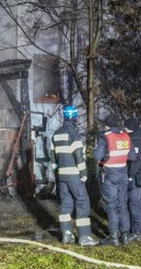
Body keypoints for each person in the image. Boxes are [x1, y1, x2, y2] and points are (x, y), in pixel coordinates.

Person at [49, 105, 99, 246]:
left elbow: (52, 156)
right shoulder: (73, 133)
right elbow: (78, 155)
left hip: (62, 176)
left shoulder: (56, 134)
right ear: (75, 117)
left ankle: (67, 234)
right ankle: (84, 237)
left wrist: (57, 172)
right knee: (82, 202)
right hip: (74, 176)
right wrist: (83, 174)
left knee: (65, 204)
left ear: (64, 117)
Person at [94, 114, 136, 246]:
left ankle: (114, 237)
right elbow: (132, 156)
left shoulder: (105, 137)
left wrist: (106, 159)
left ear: (106, 125)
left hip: (110, 174)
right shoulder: (126, 136)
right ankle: (125, 235)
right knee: (122, 204)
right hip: (123, 173)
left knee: (111, 206)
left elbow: (97, 156)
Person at [124, 117, 141, 242]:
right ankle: (134, 230)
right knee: (132, 203)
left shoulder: (136, 141)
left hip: (135, 177)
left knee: (134, 204)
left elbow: (136, 162)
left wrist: (130, 177)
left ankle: (137, 232)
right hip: (135, 175)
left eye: (125, 127)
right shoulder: (136, 139)